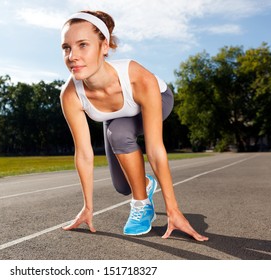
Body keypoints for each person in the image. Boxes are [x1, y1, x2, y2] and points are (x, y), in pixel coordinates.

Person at [60, 10, 208, 241]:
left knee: (118, 133)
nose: (72, 56)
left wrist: (173, 209)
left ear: (104, 46)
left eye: (82, 45)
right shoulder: (70, 95)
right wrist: (88, 207)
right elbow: (84, 153)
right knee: (122, 186)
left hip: (156, 99)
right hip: (116, 115)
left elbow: (155, 150)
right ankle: (145, 184)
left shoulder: (137, 77)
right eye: (66, 48)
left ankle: (141, 206)